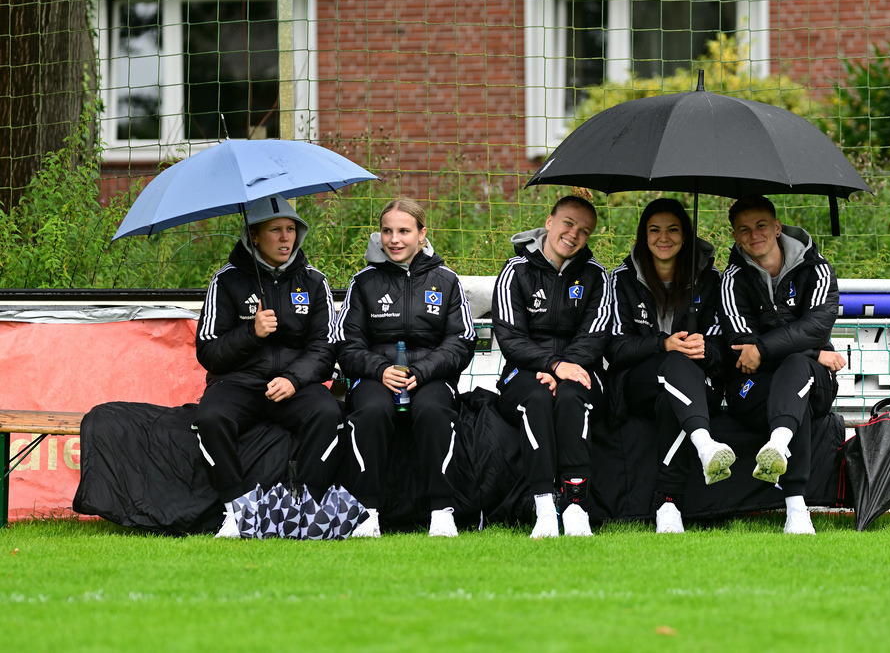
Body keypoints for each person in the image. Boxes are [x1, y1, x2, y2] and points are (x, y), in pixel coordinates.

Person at [193, 194, 343, 539]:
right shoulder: (226, 281)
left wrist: (293, 379)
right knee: (209, 419)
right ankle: (238, 511)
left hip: (295, 386)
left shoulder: (314, 281)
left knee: (328, 414)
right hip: (238, 383)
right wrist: (252, 332)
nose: (286, 238)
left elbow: (326, 347)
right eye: (276, 230)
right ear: (254, 236)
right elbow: (209, 352)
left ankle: (306, 507)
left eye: (292, 229)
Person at [336, 198, 476, 538]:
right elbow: (346, 344)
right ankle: (366, 512)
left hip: (430, 378)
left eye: (403, 231)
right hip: (375, 377)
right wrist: (381, 369)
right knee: (370, 410)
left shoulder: (446, 280)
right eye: (387, 231)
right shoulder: (363, 282)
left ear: (422, 234)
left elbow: (462, 340)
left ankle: (441, 511)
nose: (394, 239)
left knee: (432, 410)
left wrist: (423, 371)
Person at [719, 194, 847, 535]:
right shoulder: (731, 279)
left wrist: (772, 350)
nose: (753, 235)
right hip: (753, 389)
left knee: (796, 371)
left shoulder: (817, 269)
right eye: (743, 230)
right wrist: (813, 353)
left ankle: (780, 454)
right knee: (794, 392)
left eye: (761, 225)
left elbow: (817, 327)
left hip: (815, 381)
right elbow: (741, 348)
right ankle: (795, 505)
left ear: (777, 228)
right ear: (734, 236)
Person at [607, 198, 734, 534]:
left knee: (672, 398)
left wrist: (705, 349)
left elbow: (727, 347)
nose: (664, 238)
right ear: (643, 235)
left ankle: (667, 504)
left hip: (695, 385)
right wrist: (661, 344)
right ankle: (704, 445)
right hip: (637, 385)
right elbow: (615, 348)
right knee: (672, 362)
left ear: (685, 236)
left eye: (673, 230)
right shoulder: (621, 279)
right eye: (654, 230)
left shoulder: (711, 280)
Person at [491, 195, 611, 538]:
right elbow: (510, 338)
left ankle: (575, 506)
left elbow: (595, 336)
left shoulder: (596, 276)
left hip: (580, 369)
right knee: (537, 398)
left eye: (584, 231)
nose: (573, 234)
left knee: (574, 396)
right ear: (549, 222)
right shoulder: (515, 271)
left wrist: (566, 368)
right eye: (568, 224)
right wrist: (553, 365)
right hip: (524, 371)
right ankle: (544, 505)